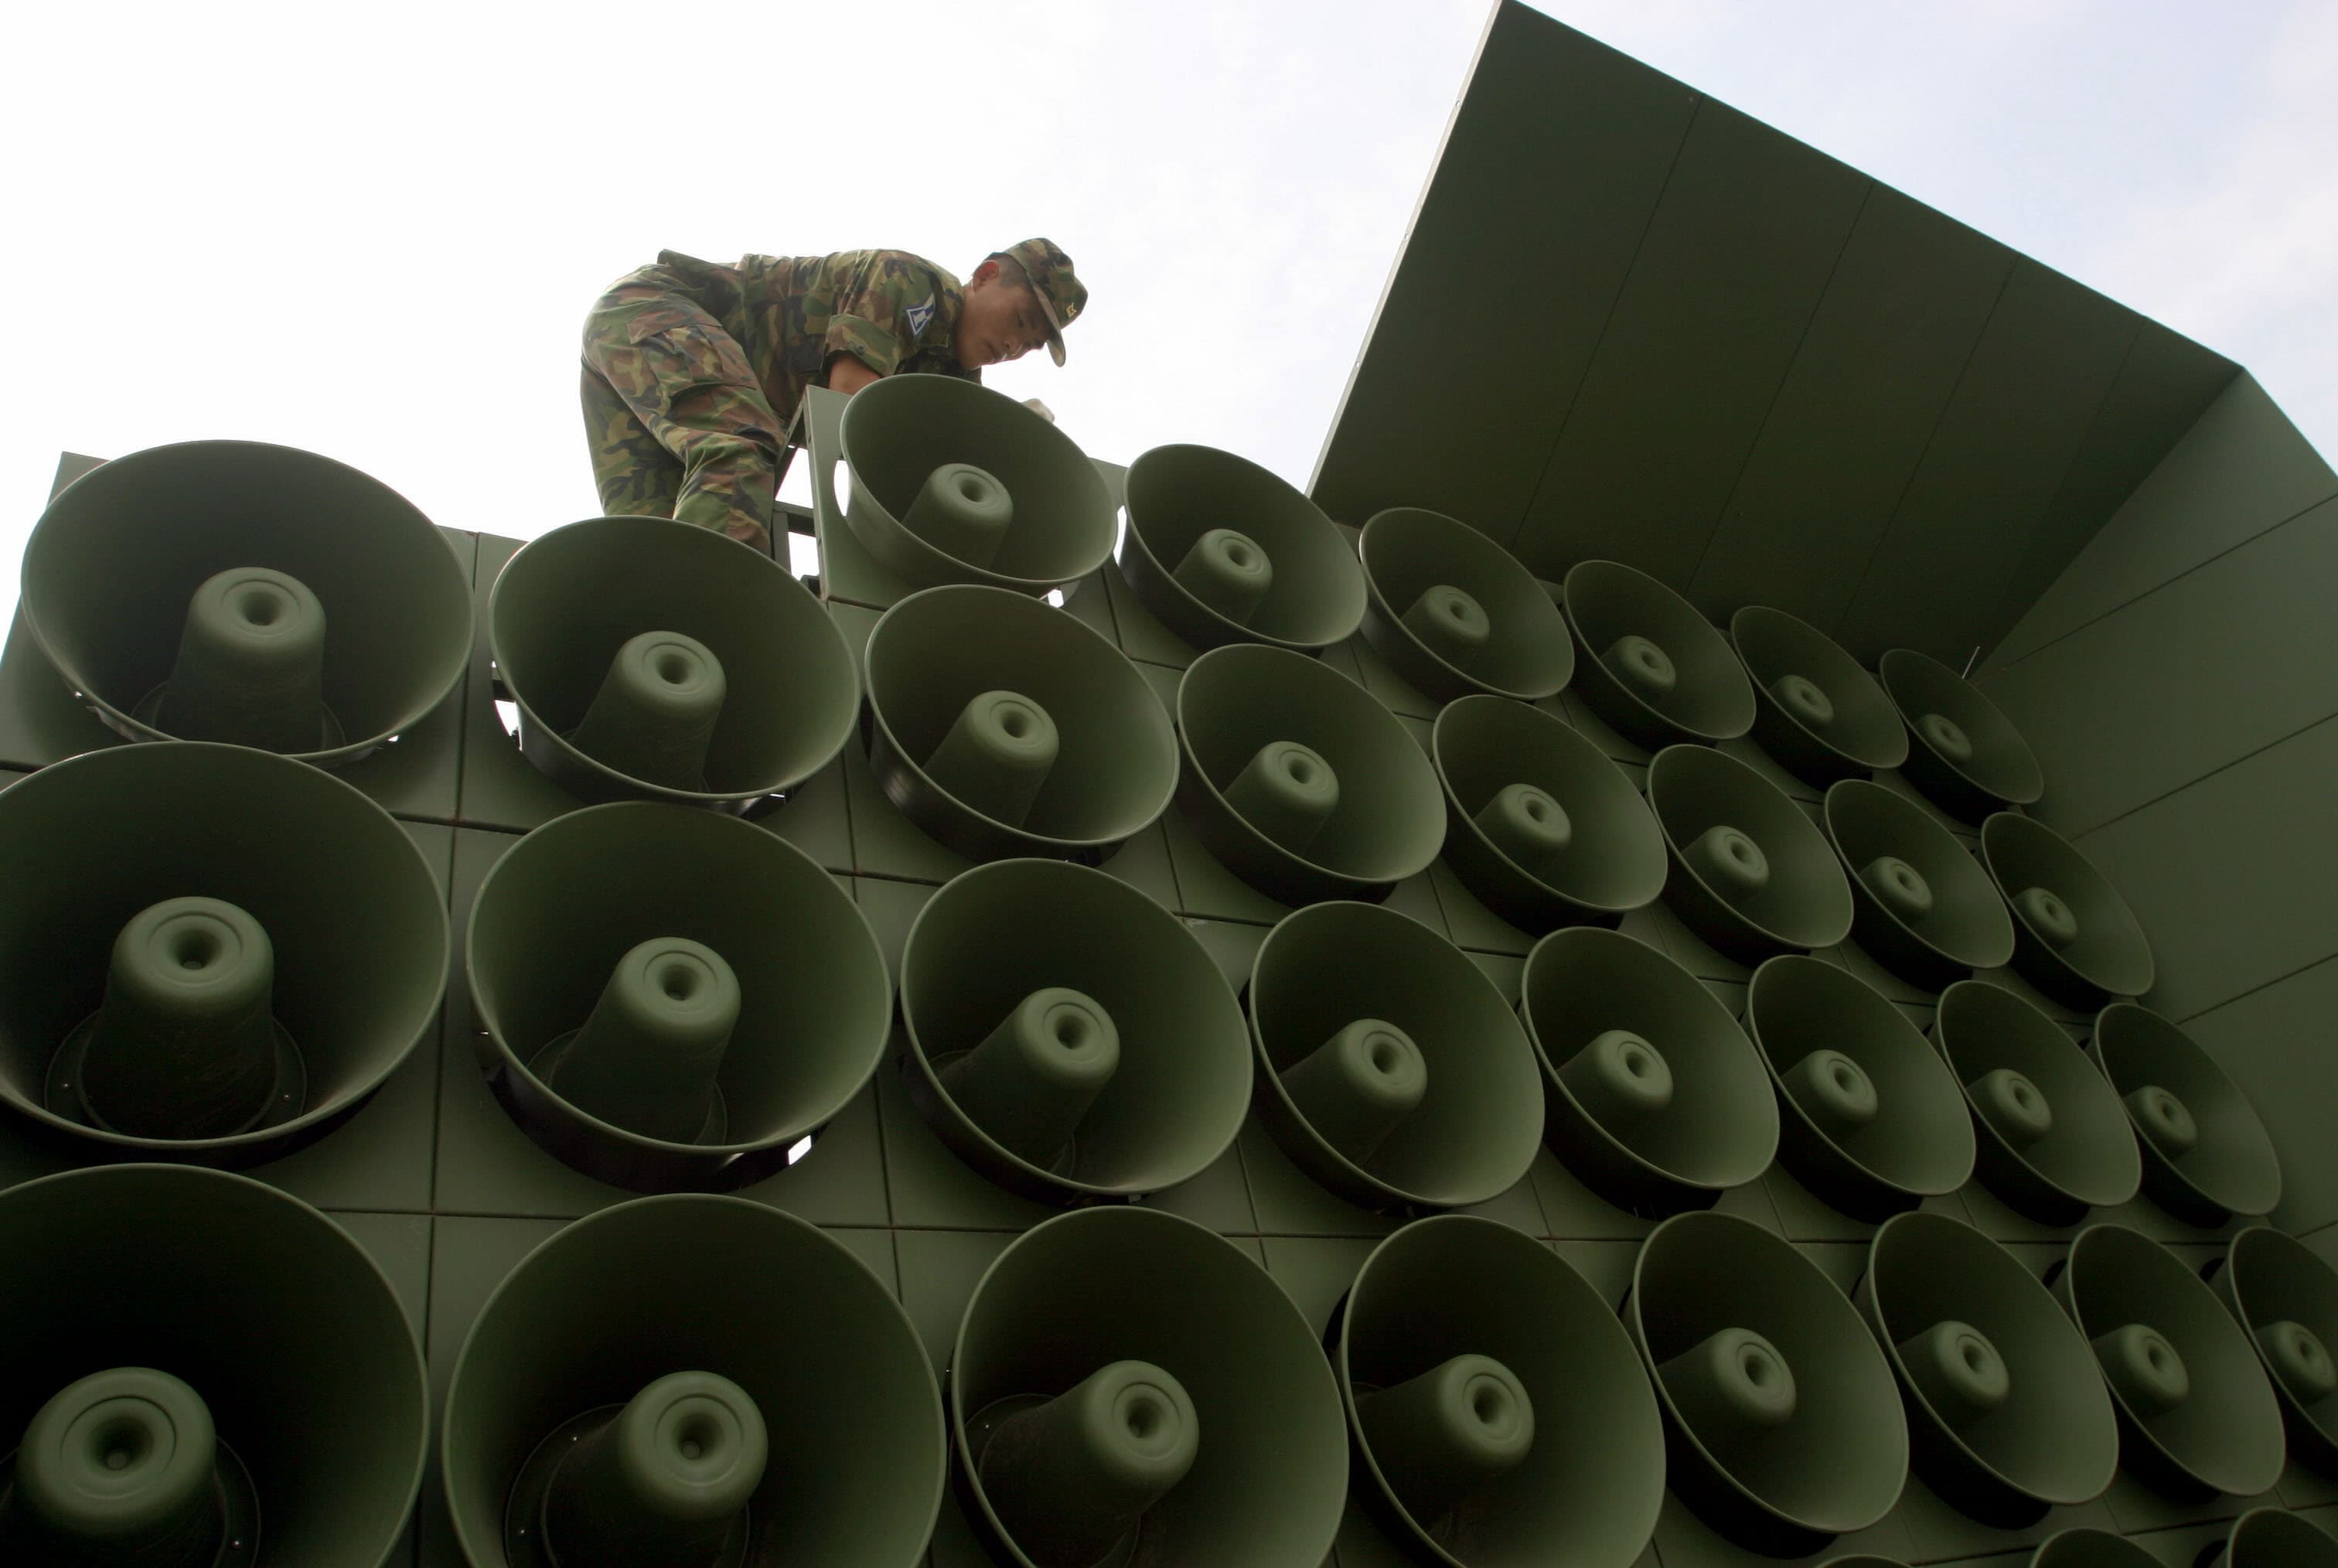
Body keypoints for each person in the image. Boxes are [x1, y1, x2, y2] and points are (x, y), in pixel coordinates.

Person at [578, 239, 1086, 555]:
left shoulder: (952, 380)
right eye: (1020, 320)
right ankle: (700, 625)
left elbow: (922, 483)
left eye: (1031, 344)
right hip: (654, 315)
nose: (1014, 346)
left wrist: (1000, 446)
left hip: (675, 366)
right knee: (739, 457)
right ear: (986, 275)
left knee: (651, 545)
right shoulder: (912, 284)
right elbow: (850, 398)